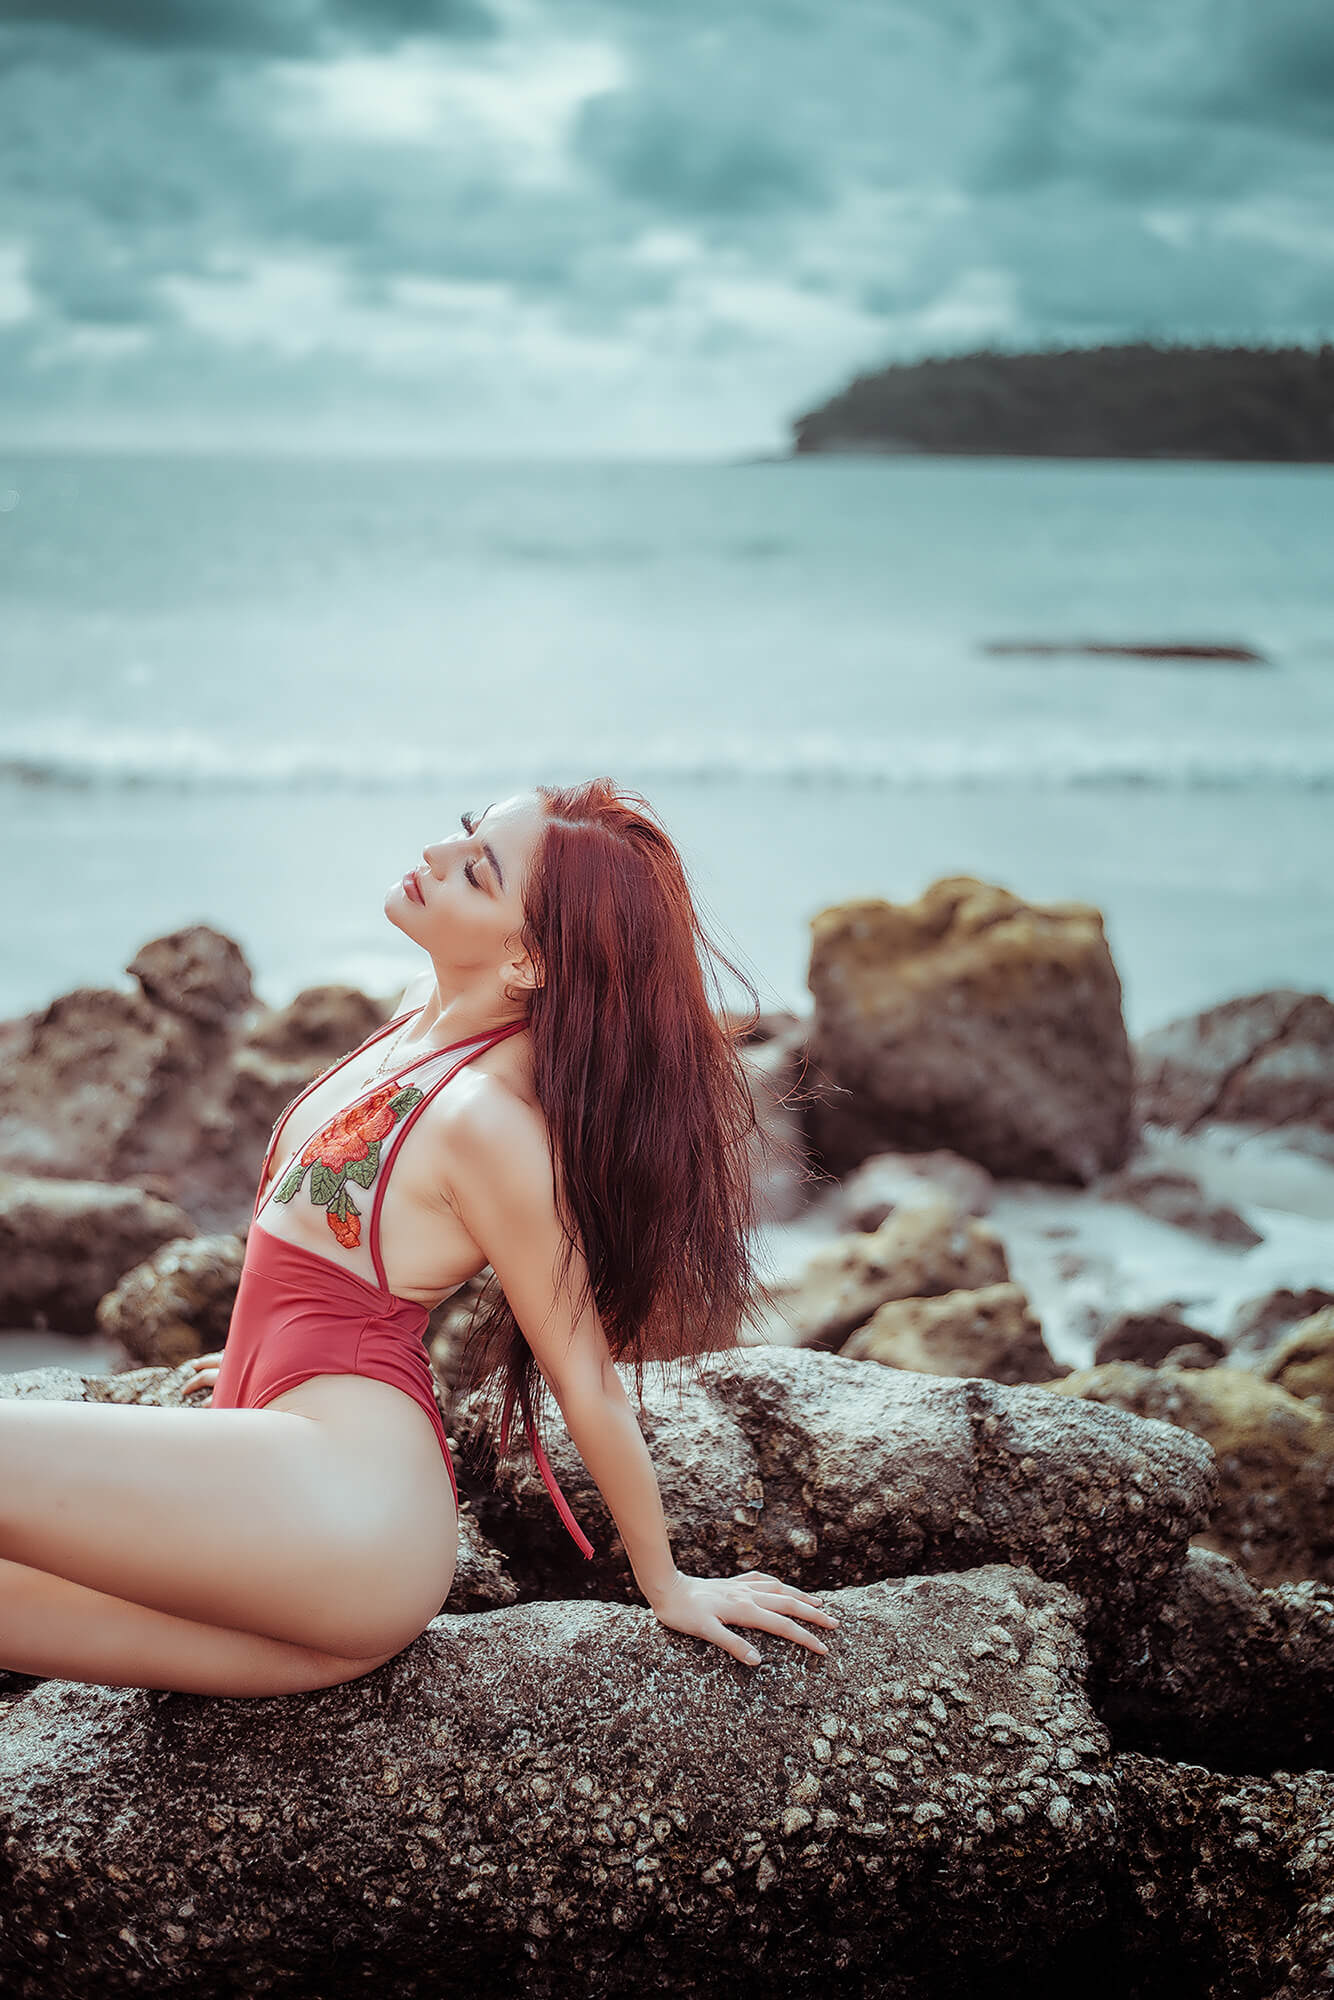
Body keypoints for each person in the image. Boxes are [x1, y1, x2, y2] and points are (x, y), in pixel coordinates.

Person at [0, 779, 836, 1697]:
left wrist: (667, 1584)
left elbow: (585, 1375)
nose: (437, 854)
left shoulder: (490, 1125)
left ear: (525, 961)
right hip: (289, 1486)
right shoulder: (414, 1012)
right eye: (467, 829)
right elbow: (324, 1249)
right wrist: (260, 1352)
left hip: (353, 1522)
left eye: (475, 872)